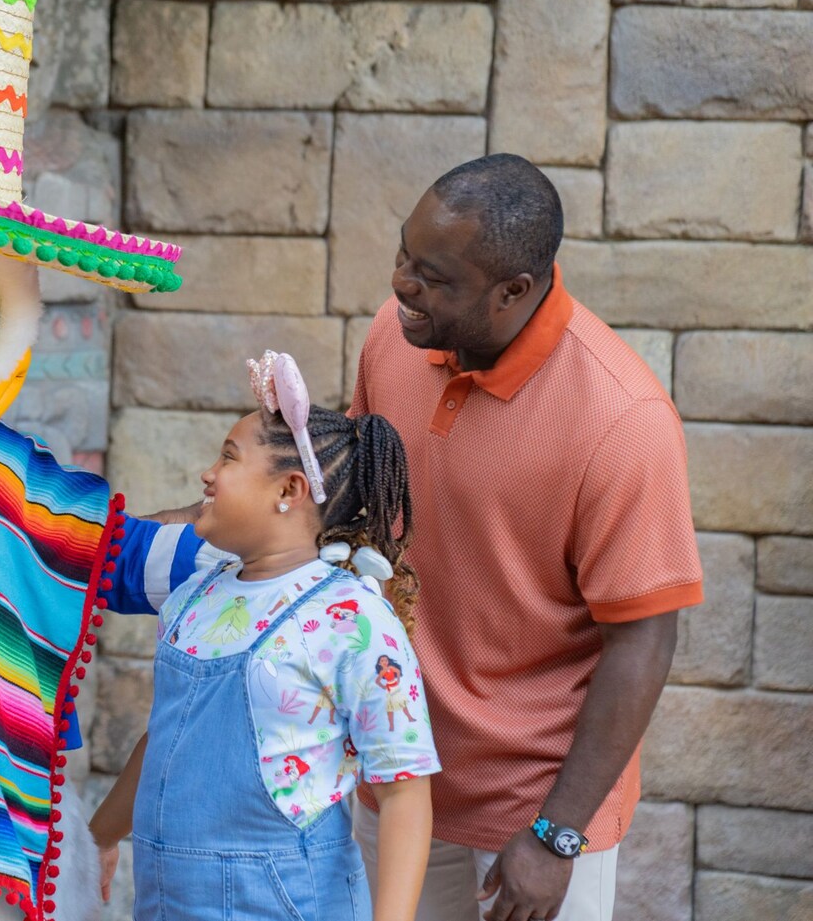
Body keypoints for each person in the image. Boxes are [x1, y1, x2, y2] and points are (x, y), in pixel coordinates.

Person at [350, 154, 703, 921]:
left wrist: (557, 835)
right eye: (404, 255)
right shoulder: (392, 338)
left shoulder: (622, 421)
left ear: (513, 290)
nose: (402, 284)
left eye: (433, 277)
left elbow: (643, 640)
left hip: (530, 815)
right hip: (394, 774)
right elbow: (355, 504)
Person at [88, 351, 439, 921]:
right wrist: (99, 836)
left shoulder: (353, 621)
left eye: (228, 457)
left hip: (287, 903)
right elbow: (168, 740)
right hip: (168, 900)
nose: (207, 474)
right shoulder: (195, 597)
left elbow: (404, 791)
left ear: (289, 490)